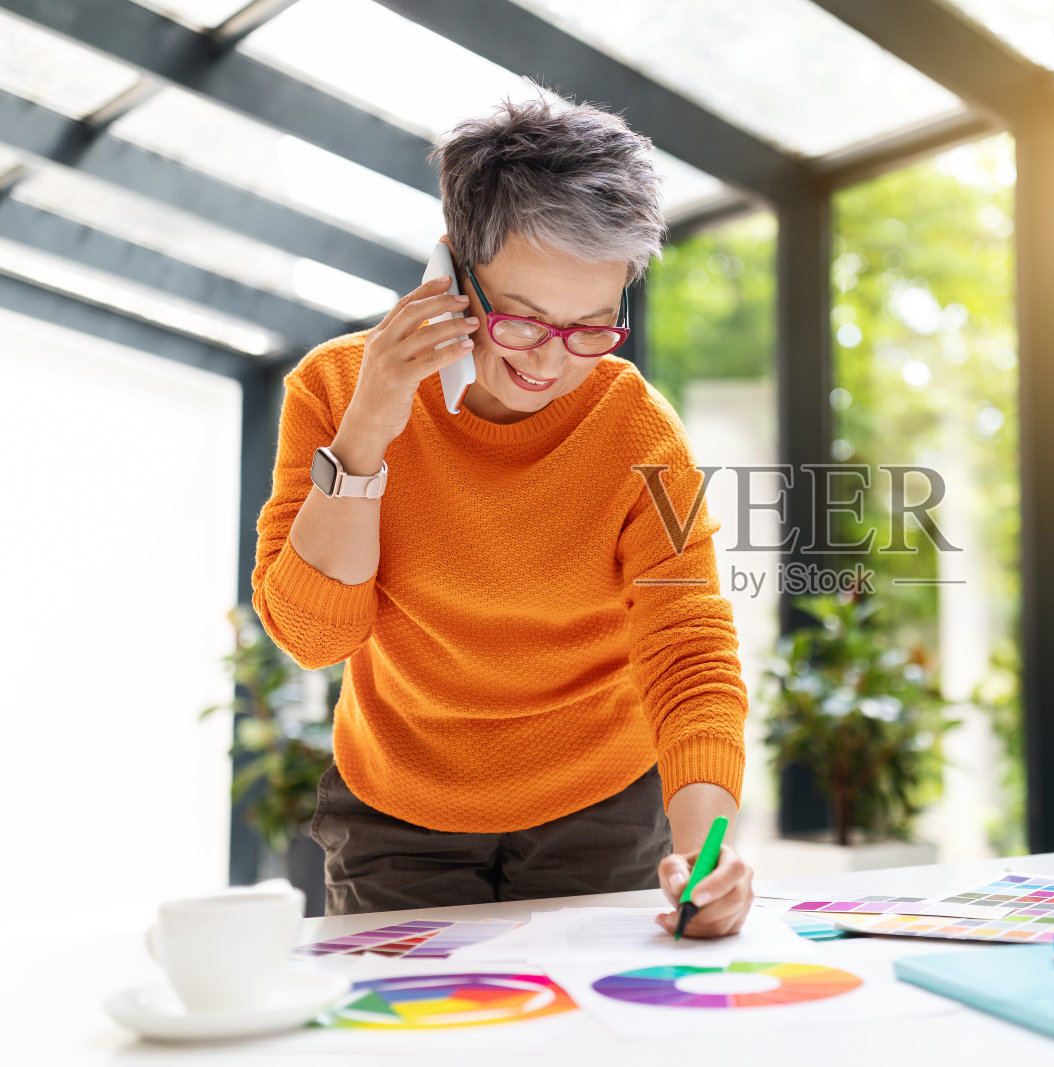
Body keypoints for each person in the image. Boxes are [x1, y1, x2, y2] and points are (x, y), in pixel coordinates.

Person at [250, 89, 753, 937]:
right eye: (523, 320)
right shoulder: (336, 391)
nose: (554, 363)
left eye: (593, 326)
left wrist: (707, 854)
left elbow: (689, 646)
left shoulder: (638, 430)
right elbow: (313, 638)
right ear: (449, 273)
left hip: (602, 804)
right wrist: (371, 427)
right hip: (396, 811)